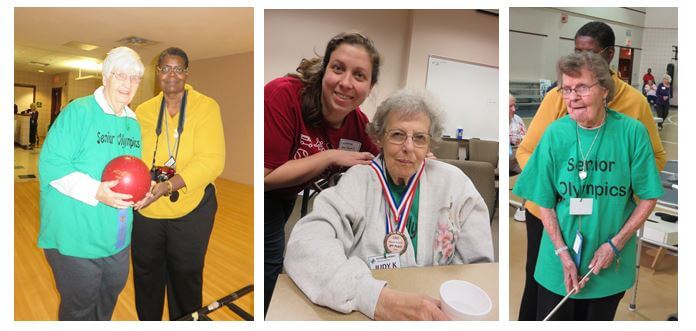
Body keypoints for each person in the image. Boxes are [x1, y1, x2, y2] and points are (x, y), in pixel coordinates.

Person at [284, 89, 493, 320]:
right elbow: (305, 244)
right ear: (380, 137)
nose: (409, 147)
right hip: (365, 312)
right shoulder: (359, 180)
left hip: (437, 311)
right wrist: (374, 298)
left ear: (429, 143)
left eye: (420, 138)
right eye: (397, 135)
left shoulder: (455, 184)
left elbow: (481, 267)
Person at [514, 21, 666, 321]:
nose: (571, 96)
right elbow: (532, 164)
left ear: (604, 88)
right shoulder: (557, 130)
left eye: (580, 88)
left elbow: (649, 187)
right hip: (556, 229)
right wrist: (553, 192)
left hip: (607, 241)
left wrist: (623, 184)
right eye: (566, 89)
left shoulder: (631, 122)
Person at [264, 32, 382, 315]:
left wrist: (412, 150)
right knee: (270, 266)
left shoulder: (357, 123)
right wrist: (330, 156)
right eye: (338, 68)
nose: (345, 83)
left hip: (286, 195)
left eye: (359, 75)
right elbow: (266, 175)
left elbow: (381, 159)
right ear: (324, 70)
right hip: (263, 195)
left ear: (370, 86)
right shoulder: (283, 94)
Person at [37, 46, 145, 320]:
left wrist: (141, 193)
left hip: (116, 238)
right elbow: (51, 165)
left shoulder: (133, 124)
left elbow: (132, 173)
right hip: (76, 239)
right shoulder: (79, 112)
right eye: (121, 75)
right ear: (106, 77)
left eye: (134, 78)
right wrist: (96, 191)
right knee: (79, 310)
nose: (128, 84)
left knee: (107, 301)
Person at [132, 47, 225, 320]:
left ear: (186, 73)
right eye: (165, 69)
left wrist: (167, 185)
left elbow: (212, 161)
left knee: (185, 277)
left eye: (178, 69)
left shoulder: (206, 106)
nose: (171, 74)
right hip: (148, 207)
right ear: (157, 73)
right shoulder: (144, 111)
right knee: (146, 274)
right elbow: (135, 155)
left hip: (192, 207)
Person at [509, 94, 527, 222]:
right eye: (510, 106)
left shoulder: (518, 120)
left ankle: (524, 209)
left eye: (515, 105)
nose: (514, 109)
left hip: (517, 158)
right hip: (502, 160)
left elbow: (526, 140)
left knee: (532, 168)